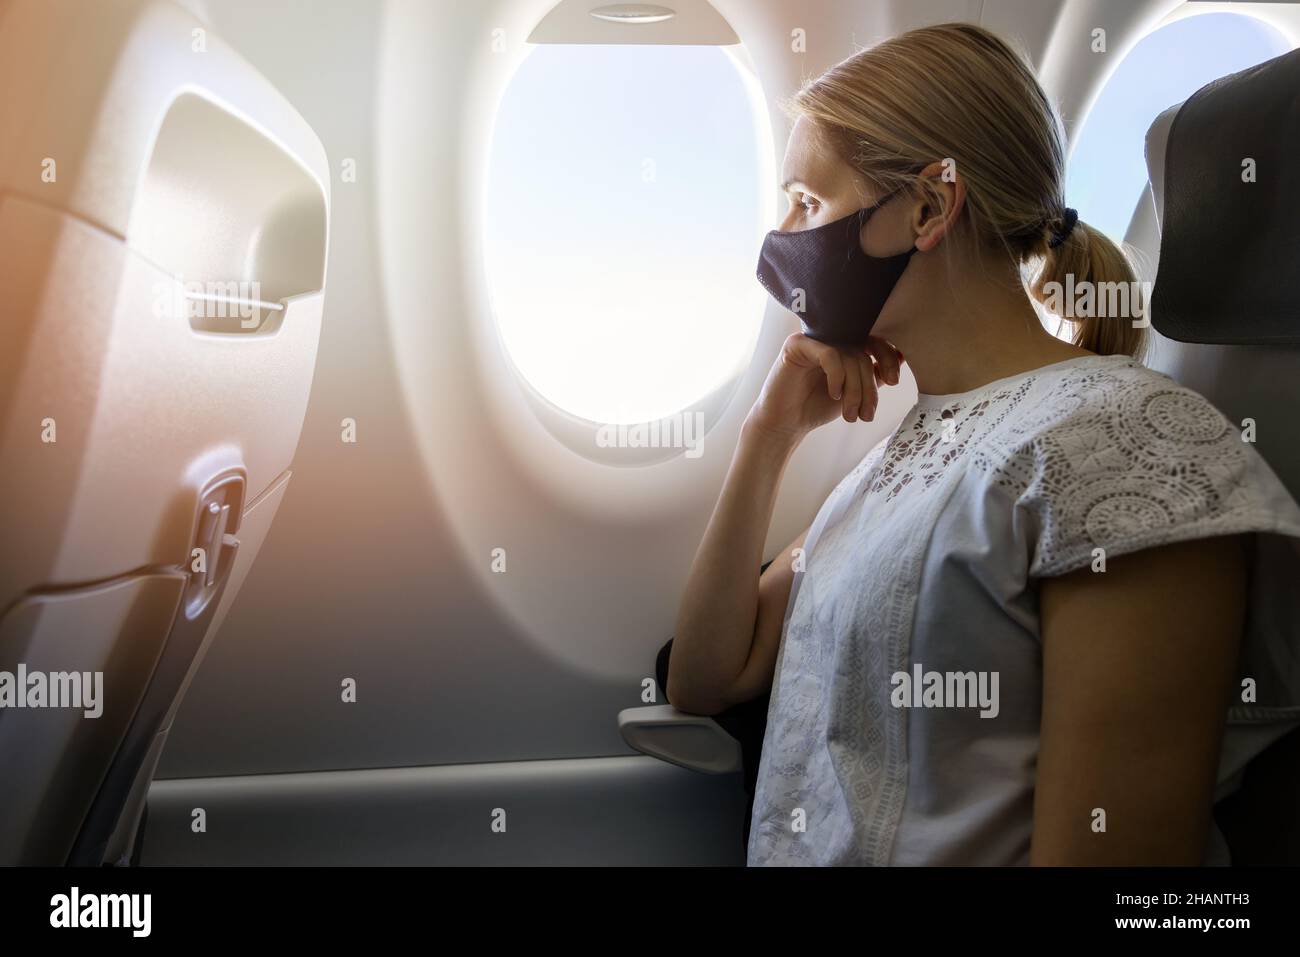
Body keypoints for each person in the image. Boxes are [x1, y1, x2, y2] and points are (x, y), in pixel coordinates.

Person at [667, 22, 1300, 866]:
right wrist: (766, 438)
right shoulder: (905, 451)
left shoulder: (1124, 443)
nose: (783, 235)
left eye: (808, 203)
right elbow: (707, 677)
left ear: (927, 208)